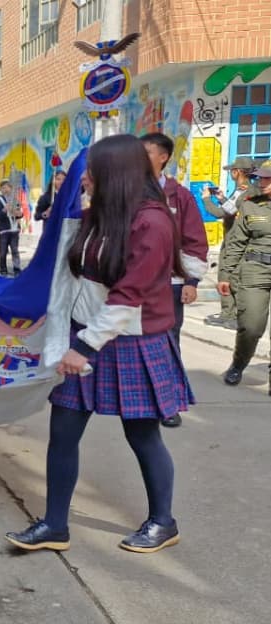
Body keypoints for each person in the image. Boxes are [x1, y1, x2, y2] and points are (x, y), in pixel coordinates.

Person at [5, 134, 193, 556]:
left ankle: (163, 521)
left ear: (118, 175)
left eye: (92, 172)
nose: (84, 180)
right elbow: (73, 281)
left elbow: (129, 297)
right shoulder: (95, 216)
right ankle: (55, 525)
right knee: (62, 433)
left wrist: (83, 347)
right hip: (84, 337)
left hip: (130, 342)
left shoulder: (152, 222)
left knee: (143, 437)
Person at [141, 132, 209, 428]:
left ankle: (167, 403)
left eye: (145, 152)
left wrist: (192, 280)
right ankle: (137, 398)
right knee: (129, 341)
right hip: (128, 285)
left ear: (163, 157)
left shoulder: (178, 196)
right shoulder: (126, 191)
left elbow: (195, 240)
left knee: (167, 342)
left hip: (168, 285)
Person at [218, 159, 271, 395]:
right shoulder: (250, 205)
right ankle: (238, 364)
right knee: (250, 326)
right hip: (255, 270)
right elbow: (236, 243)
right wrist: (225, 274)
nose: (261, 182)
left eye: (267, 178)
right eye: (260, 177)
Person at [204, 157, 256, 329]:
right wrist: (221, 197)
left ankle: (232, 315)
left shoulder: (244, 191)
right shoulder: (245, 190)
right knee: (230, 275)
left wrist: (206, 200)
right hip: (236, 238)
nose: (231, 173)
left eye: (233, 170)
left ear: (238, 172)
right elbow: (230, 208)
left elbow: (223, 213)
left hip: (236, 239)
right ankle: (230, 314)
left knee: (228, 276)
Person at [0, 180, 23, 275]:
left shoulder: (16, 200)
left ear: (11, 188)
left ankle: (17, 268)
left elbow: (19, 214)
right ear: (0, 190)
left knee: (15, 250)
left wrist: (20, 214)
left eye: (7, 187)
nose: (5, 189)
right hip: (3, 230)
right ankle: (3, 268)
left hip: (14, 229)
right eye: (3, 188)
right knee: (3, 250)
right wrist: (4, 210)